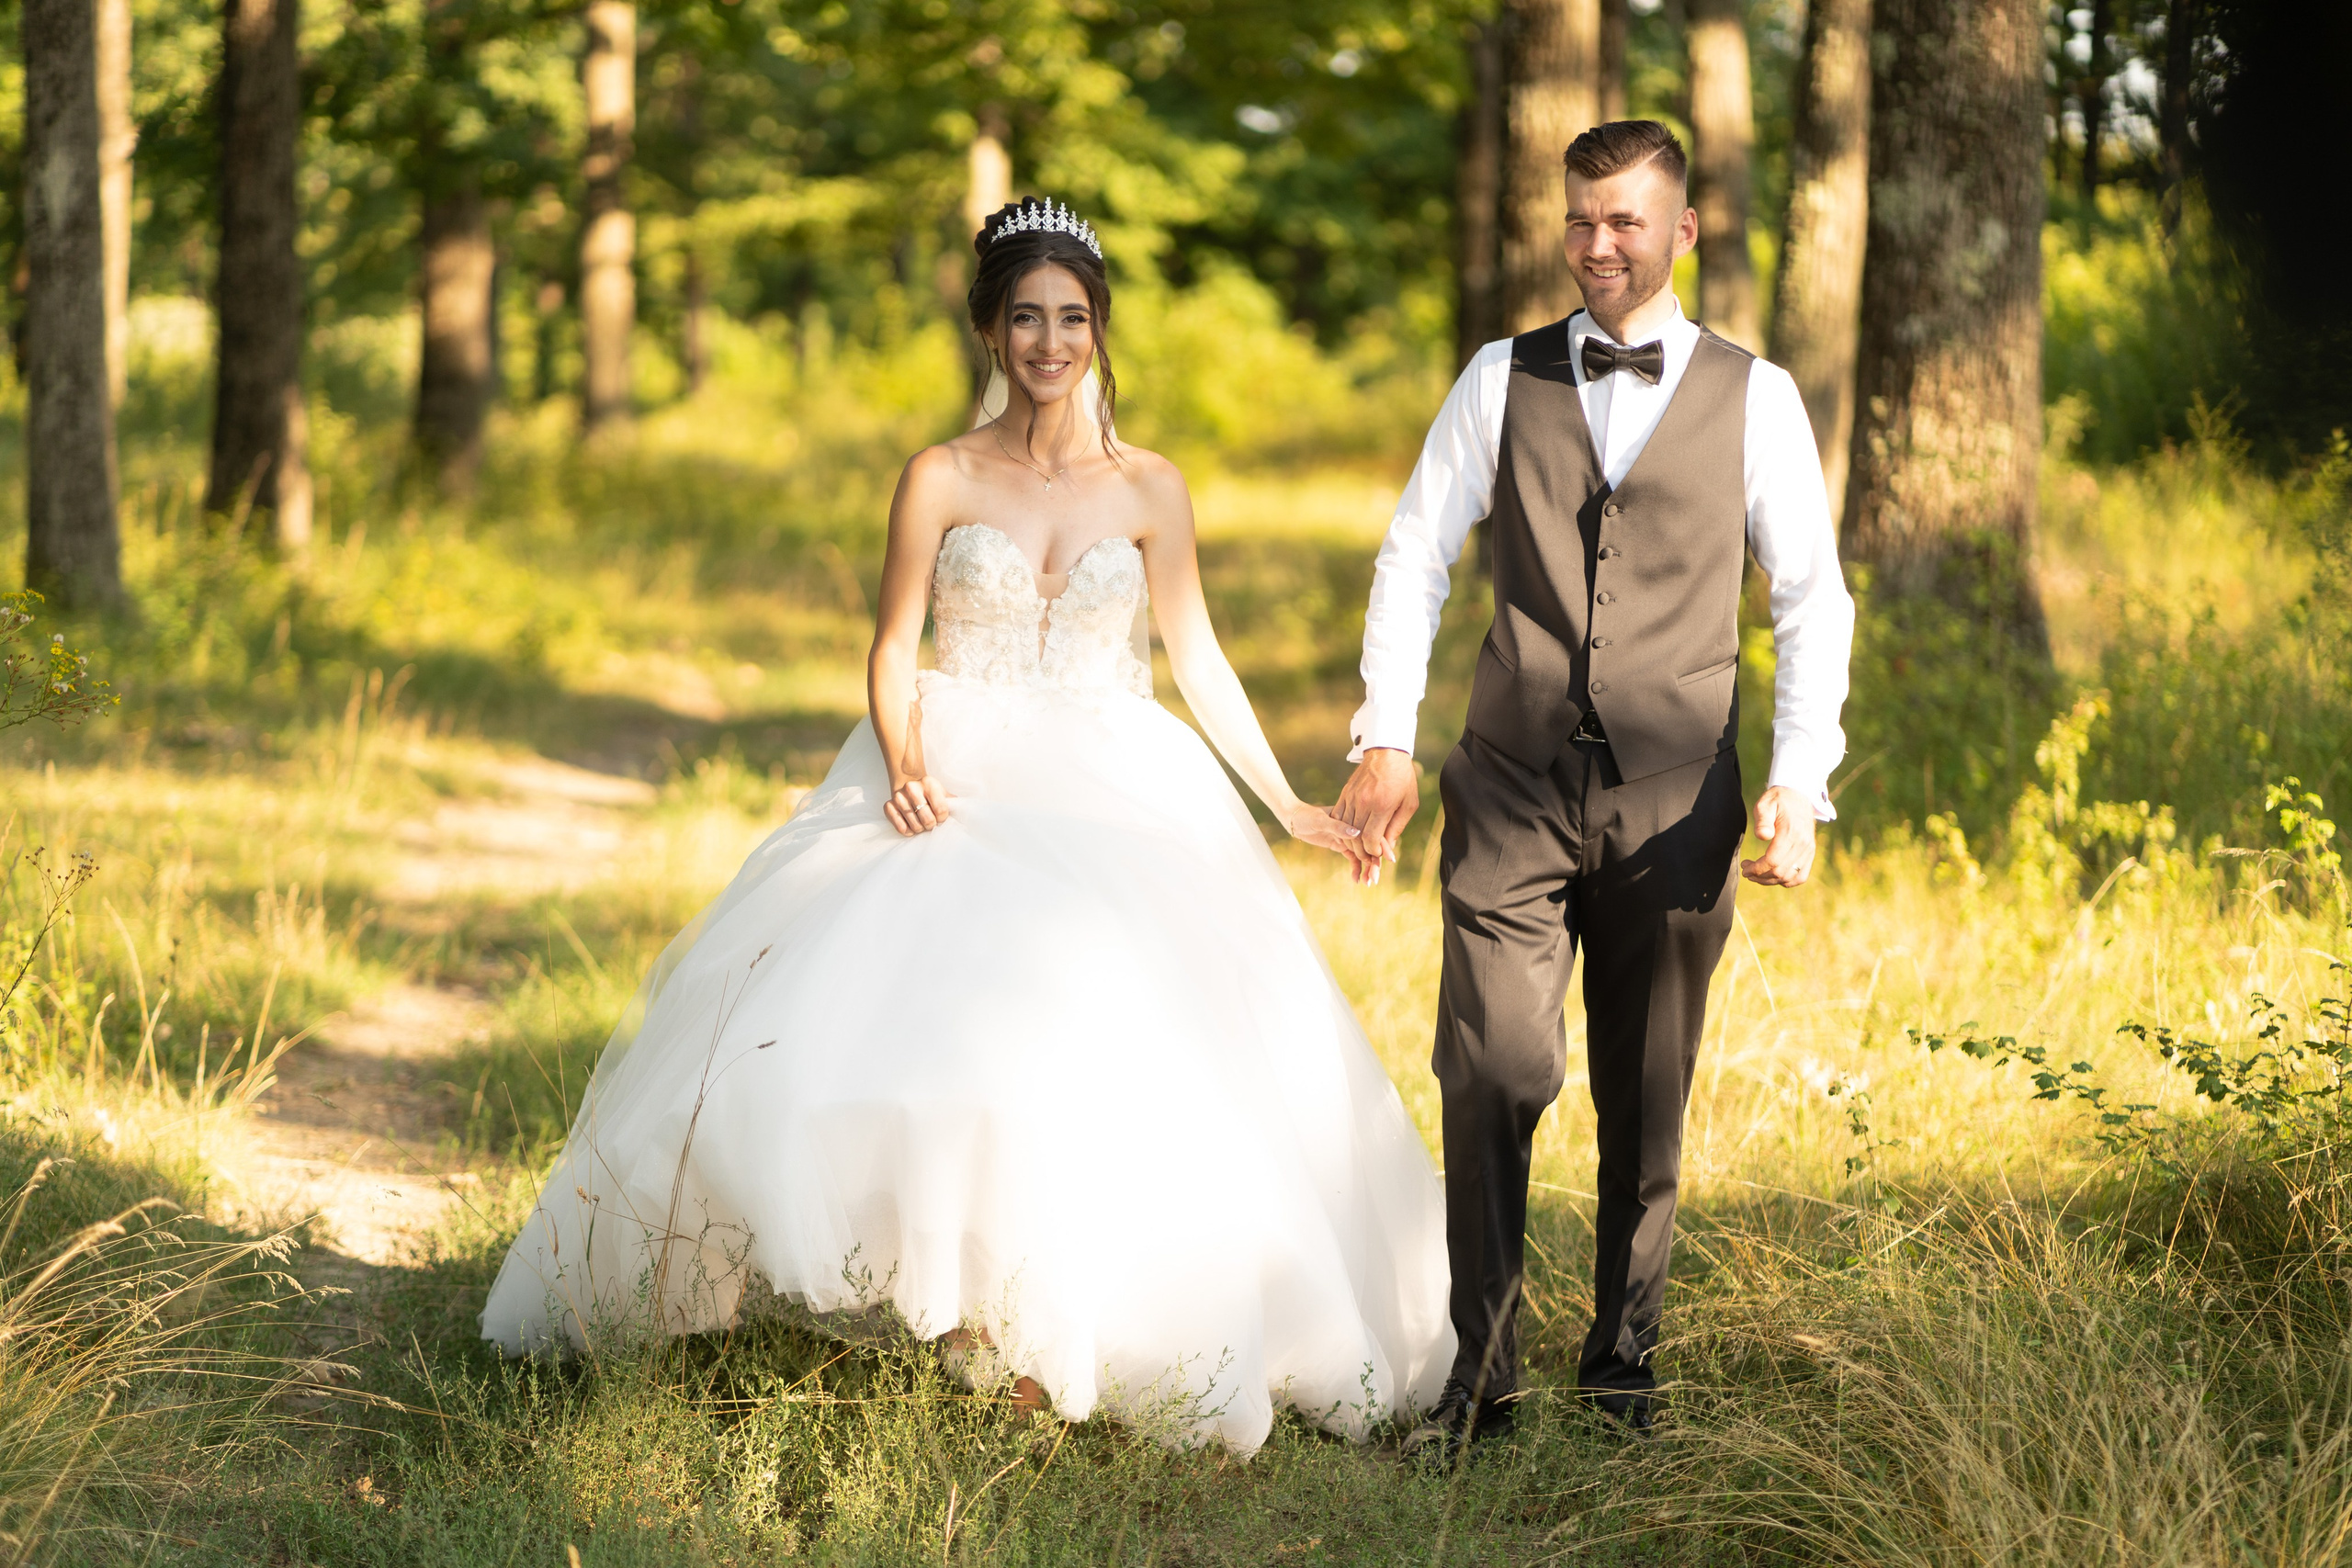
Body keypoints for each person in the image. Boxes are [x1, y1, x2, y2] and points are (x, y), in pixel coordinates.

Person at [479, 197, 1455, 1456]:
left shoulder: (1152, 488)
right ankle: (937, 1309)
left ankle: (1072, 1320)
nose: (1050, 341)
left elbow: (1196, 658)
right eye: (1026, 318)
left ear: (1099, 331)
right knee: (900, 1030)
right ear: (991, 329)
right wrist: (907, 759)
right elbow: (891, 649)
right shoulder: (939, 475)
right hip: (960, 763)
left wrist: (1287, 806)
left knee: (1113, 1042)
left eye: (1074, 318)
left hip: (1116, 777)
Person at [1334, 121, 1856, 1453]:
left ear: (1685, 232)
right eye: (1580, 221)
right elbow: (1413, 552)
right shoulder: (1499, 378)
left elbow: (1811, 601)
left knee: (1647, 1084)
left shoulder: (1760, 396)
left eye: (1625, 220)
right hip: (1509, 782)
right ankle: (1480, 1376)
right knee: (1494, 1068)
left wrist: (1800, 779)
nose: (1598, 245)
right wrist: (1381, 734)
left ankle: (1622, 1367)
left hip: (1679, 802)